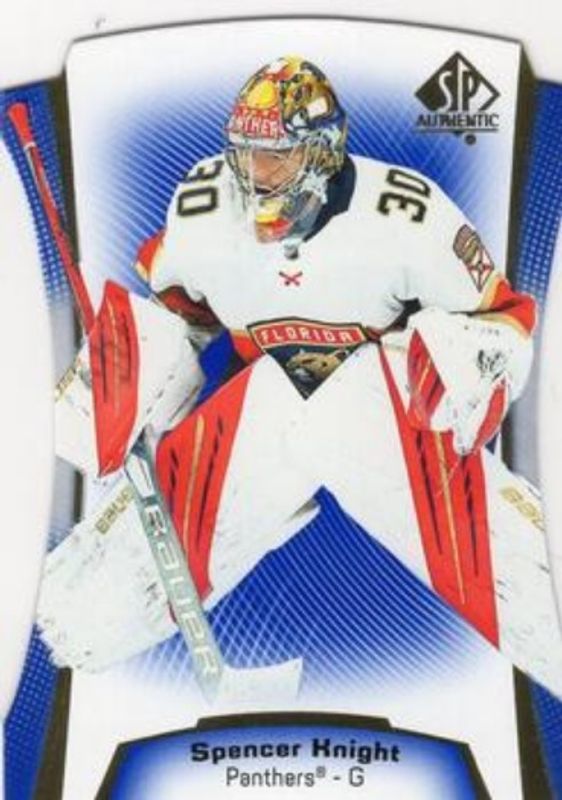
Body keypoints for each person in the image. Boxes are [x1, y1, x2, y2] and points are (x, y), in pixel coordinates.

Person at [44, 56, 562, 695]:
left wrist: (466, 368)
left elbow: (504, 318)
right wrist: (123, 376)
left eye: (277, 157)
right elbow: (179, 312)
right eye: (245, 155)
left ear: (323, 152)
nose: (255, 177)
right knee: (82, 616)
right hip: (267, 410)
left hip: (386, 416)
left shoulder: (409, 213)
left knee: (530, 590)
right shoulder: (205, 208)